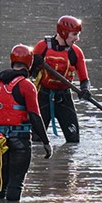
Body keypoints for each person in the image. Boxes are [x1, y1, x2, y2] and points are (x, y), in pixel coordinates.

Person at [0, 45, 53, 201]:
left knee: (1, 181)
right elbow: (35, 116)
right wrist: (46, 142)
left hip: (0, 141)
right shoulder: (27, 86)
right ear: (29, 63)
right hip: (21, 141)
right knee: (16, 184)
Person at [31, 15, 91, 143]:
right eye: (74, 34)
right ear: (64, 32)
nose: (77, 38)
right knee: (36, 142)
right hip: (43, 96)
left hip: (64, 98)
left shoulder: (76, 52)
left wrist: (85, 89)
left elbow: (84, 79)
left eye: (78, 34)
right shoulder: (42, 47)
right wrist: (34, 64)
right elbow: (28, 74)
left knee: (74, 141)